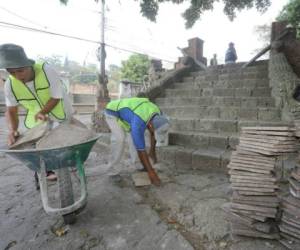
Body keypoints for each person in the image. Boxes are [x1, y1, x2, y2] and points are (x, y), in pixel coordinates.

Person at [0, 43, 73, 181]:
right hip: (35, 112)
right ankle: (45, 169)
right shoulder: (9, 84)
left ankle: (67, 162)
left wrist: (44, 112)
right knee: (37, 139)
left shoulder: (46, 70)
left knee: (65, 134)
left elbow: (56, 97)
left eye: (20, 70)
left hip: (58, 105)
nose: (17, 76)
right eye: (11, 72)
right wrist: (13, 130)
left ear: (29, 65)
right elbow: (11, 110)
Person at [104, 97, 169, 186]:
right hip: (113, 111)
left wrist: (152, 152)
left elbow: (153, 134)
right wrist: (151, 173)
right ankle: (113, 171)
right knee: (120, 139)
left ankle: (139, 164)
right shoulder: (138, 122)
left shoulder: (158, 114)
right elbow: (141, 149)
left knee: (135, 139)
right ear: (150, 125)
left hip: (131, 113)